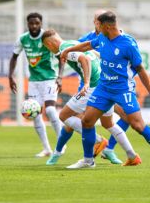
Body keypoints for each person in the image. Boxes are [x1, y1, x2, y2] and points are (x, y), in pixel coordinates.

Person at [61, 11, 150, 169]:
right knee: (87, 121)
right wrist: (68, 51)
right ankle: (88, 161)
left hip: (123, 89)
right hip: (103, 88)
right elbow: (88, 45)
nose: (97, 28)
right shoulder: (103, 37)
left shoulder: (128, 44)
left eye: (99, 25)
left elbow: (141, 69)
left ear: (108, 26)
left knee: (138, 125)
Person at [41, 29, 140, 166]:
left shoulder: (65, 48)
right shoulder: (73, 43)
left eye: (47, 47)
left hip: (93, 87)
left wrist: (86, 83)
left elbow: (84, 58)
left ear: (49, 44)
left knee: (64, 116)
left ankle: (98, 141)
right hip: (104, 85)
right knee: (108, 124)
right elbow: (92, 53)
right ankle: (132, 155)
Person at [78, 9, 130, 164]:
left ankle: (108, 149)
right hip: (93, 86)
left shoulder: (118, 36)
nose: (98, 22)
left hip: (112, 85)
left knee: (127, 117)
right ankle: (58, 151)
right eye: (96, 19)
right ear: (95, 22)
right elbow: (77, 57)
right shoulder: (86, 39)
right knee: (74, 120)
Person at [8, 12, 63, 157]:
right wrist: (10, 76)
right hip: (34, 82)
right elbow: (14, 57)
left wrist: (60, 77)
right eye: (31, 23)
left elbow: (61, 56)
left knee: (50, 111)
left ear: (41, 23)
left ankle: (61, 144)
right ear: (27, 24)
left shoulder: (47, 38)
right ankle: (47, 149)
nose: (34, 26)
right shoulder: (23, 39)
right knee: (35, 115)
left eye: (36, 23)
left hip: (50, 78)